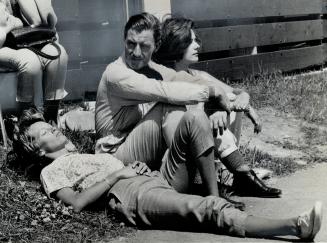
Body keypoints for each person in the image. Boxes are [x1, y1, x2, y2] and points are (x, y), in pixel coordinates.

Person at [12, 108, 323, 241]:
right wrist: (118, 176)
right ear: (38, 149)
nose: (51, 128)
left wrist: (134, 168)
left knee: (192, 118)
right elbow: (74, 204)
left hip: (152, 179)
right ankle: (295, 227)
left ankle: (215, 195)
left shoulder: (83, 155)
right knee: (200, 210)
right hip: (129, 194)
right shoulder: (52, 170)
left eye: (47, 125)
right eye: (43, 131)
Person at [95, 13, 279, 202]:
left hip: (140, 147)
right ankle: (210, 190)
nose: (136, 52)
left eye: (144, 46)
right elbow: (164, 90)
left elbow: (184, 79)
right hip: (115, 157)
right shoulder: (116, 73)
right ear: (124, 40)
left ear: (155, 46)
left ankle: (231, 178)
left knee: (185, 104)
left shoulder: (149, 66)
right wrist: (212, 93)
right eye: (131, 43)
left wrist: (235, 100)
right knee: (171, 103)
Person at [154, 16, 280, 198]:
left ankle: (238, 174)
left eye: (196, 40)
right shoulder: (164, 79)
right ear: (177, 44)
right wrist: (213, 110)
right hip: (173, 154)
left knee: (228, 101)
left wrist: (240, 100)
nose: (197, 45)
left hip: (200, 145)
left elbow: (236, 93)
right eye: (190, 41)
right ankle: (240, 174)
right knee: (215, 108)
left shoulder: (198, 74)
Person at [0, 0, 68, 123]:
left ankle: (50, 117)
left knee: (59, 55)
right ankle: (28, 121)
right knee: (29, 61)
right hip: (2, 44)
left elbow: (48, 22)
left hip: (26, 40)